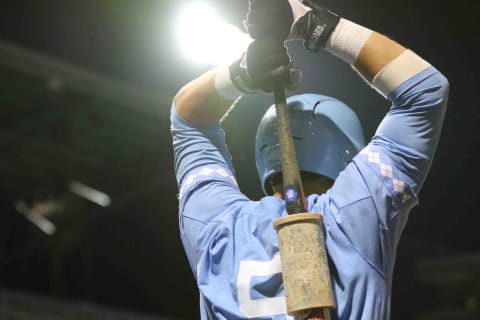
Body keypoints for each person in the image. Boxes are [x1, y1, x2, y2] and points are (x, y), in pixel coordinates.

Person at [170, 0, 449, 319]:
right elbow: (425, 90)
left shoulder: (218, 224)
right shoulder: (356, 211)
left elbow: (187, 120)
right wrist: (313, 24)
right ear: (347, 152)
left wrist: (243, 73)